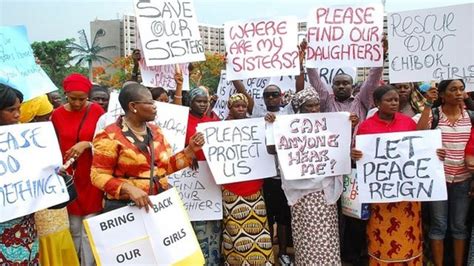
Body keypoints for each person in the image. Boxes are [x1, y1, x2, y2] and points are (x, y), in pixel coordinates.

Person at [266, 86, 350, 265]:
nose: (313, 110)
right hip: (300, 194)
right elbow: (271, 149)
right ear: (298, 108)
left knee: (326, 236)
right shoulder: (288, 127)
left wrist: (352, 124)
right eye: (308, 106)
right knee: (305, 234)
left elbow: (339, 147)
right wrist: (272, 127)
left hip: (324, 193)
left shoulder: (328, 126)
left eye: (316, 106)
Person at [352, 85, 434, 265]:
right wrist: (355, 154)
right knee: (381, 232)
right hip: (380, 197)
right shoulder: (366, 127)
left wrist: (436, 153)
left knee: (408, 233)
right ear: (377, 103)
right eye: (389, 100)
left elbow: (420, 146)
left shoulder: (408, 122)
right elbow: (361, 157)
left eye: (396, 100)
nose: (394, 103)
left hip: (407, 194)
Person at [90, 82, 204, 212]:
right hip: (124, 208)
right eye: (150, 103)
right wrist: (128, 188)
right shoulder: (109, 136)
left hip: (158, 204)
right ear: (133, 106)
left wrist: (189, 150)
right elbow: (98, 175)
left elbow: (163, 169)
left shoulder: (156, 132)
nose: (155, 106)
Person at [50, 73, 105, 266]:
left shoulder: (97, 111)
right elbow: (52, 144)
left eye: (82, 99)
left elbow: (105, 142)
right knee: (73, 226)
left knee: (88, 228)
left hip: (91, 176)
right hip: (68, 177)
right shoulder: (56, 115)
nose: (78, 103)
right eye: (73, 98)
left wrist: (87, 144)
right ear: (66, 94)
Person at [19, 94, 79, 266]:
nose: (48, 120)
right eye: (42, 117)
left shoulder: (45, 134)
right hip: (37, 210)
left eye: (48, 116)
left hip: (55, 207)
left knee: (59, 238)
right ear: (30, 117)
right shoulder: (13, 140)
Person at [416, 79, 471, 266]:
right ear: (442, 94)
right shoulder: (434, 115)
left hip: (463, 180)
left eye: (461, 89)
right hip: (438, 180)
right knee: (439, 226)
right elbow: (418, 135)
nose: (458, 93)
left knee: (459, 227)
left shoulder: (471, 117)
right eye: (453, 89)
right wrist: (427, 105)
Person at [221, 93, 274, 265]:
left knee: (259, 229)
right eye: (237, 106)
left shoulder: (256, 125)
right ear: (230, 108)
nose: (241, 109)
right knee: (234, 229)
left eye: (244, 106)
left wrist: (270, 124)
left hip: (254, 187)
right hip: (231, 188)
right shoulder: (220, 129)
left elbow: (270, 145)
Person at [0, 84, 39, 264]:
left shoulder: (26, 139)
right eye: (10, 110)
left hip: (26, 229)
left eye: (18, 109)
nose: (17, 115)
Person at [185, 86, 221, 265]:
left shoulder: (214, 120)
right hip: (190, 178)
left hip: (210, 179)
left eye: (205, 102)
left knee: (211, 222)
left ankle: (212, 260)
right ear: (190, 103)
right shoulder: (183, 121)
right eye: (198, 101)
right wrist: (188, 154)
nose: (202, 105)